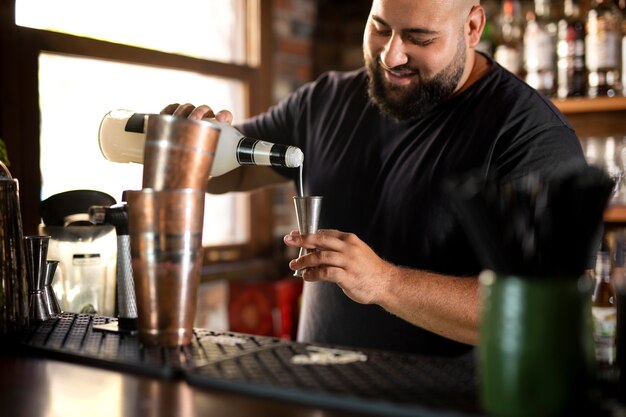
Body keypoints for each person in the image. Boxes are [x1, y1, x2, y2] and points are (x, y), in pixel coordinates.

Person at [162, 0, 587, 356]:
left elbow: (538, 315)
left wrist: (385, 281)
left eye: (419, 39)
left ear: (472, 27)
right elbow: (228, 175)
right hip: (321, 396)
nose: (391, 55)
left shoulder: (531, 135)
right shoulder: (325, 102)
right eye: (380, 28)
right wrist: (189, 146)